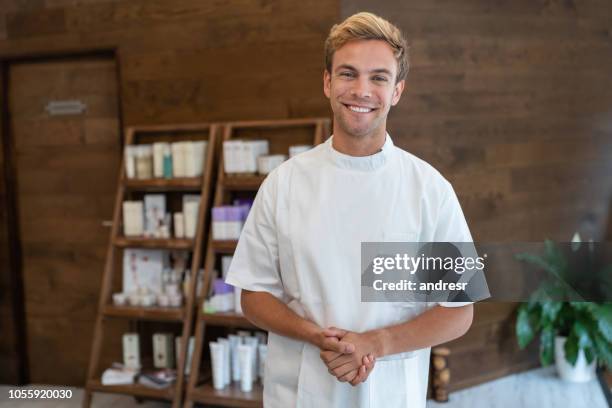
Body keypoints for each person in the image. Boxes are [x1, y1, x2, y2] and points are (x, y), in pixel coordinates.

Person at [225, 11, 474, 408]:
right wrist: (316, 336)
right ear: (327, 82)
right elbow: (253, 294)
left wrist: (374, 343)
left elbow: (458, 311)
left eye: (378, 77)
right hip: (301, 389)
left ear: (397, 91)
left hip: (391, 393)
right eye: (347, 74)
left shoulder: (429, 191)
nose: (361, 90)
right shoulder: (284, 184)